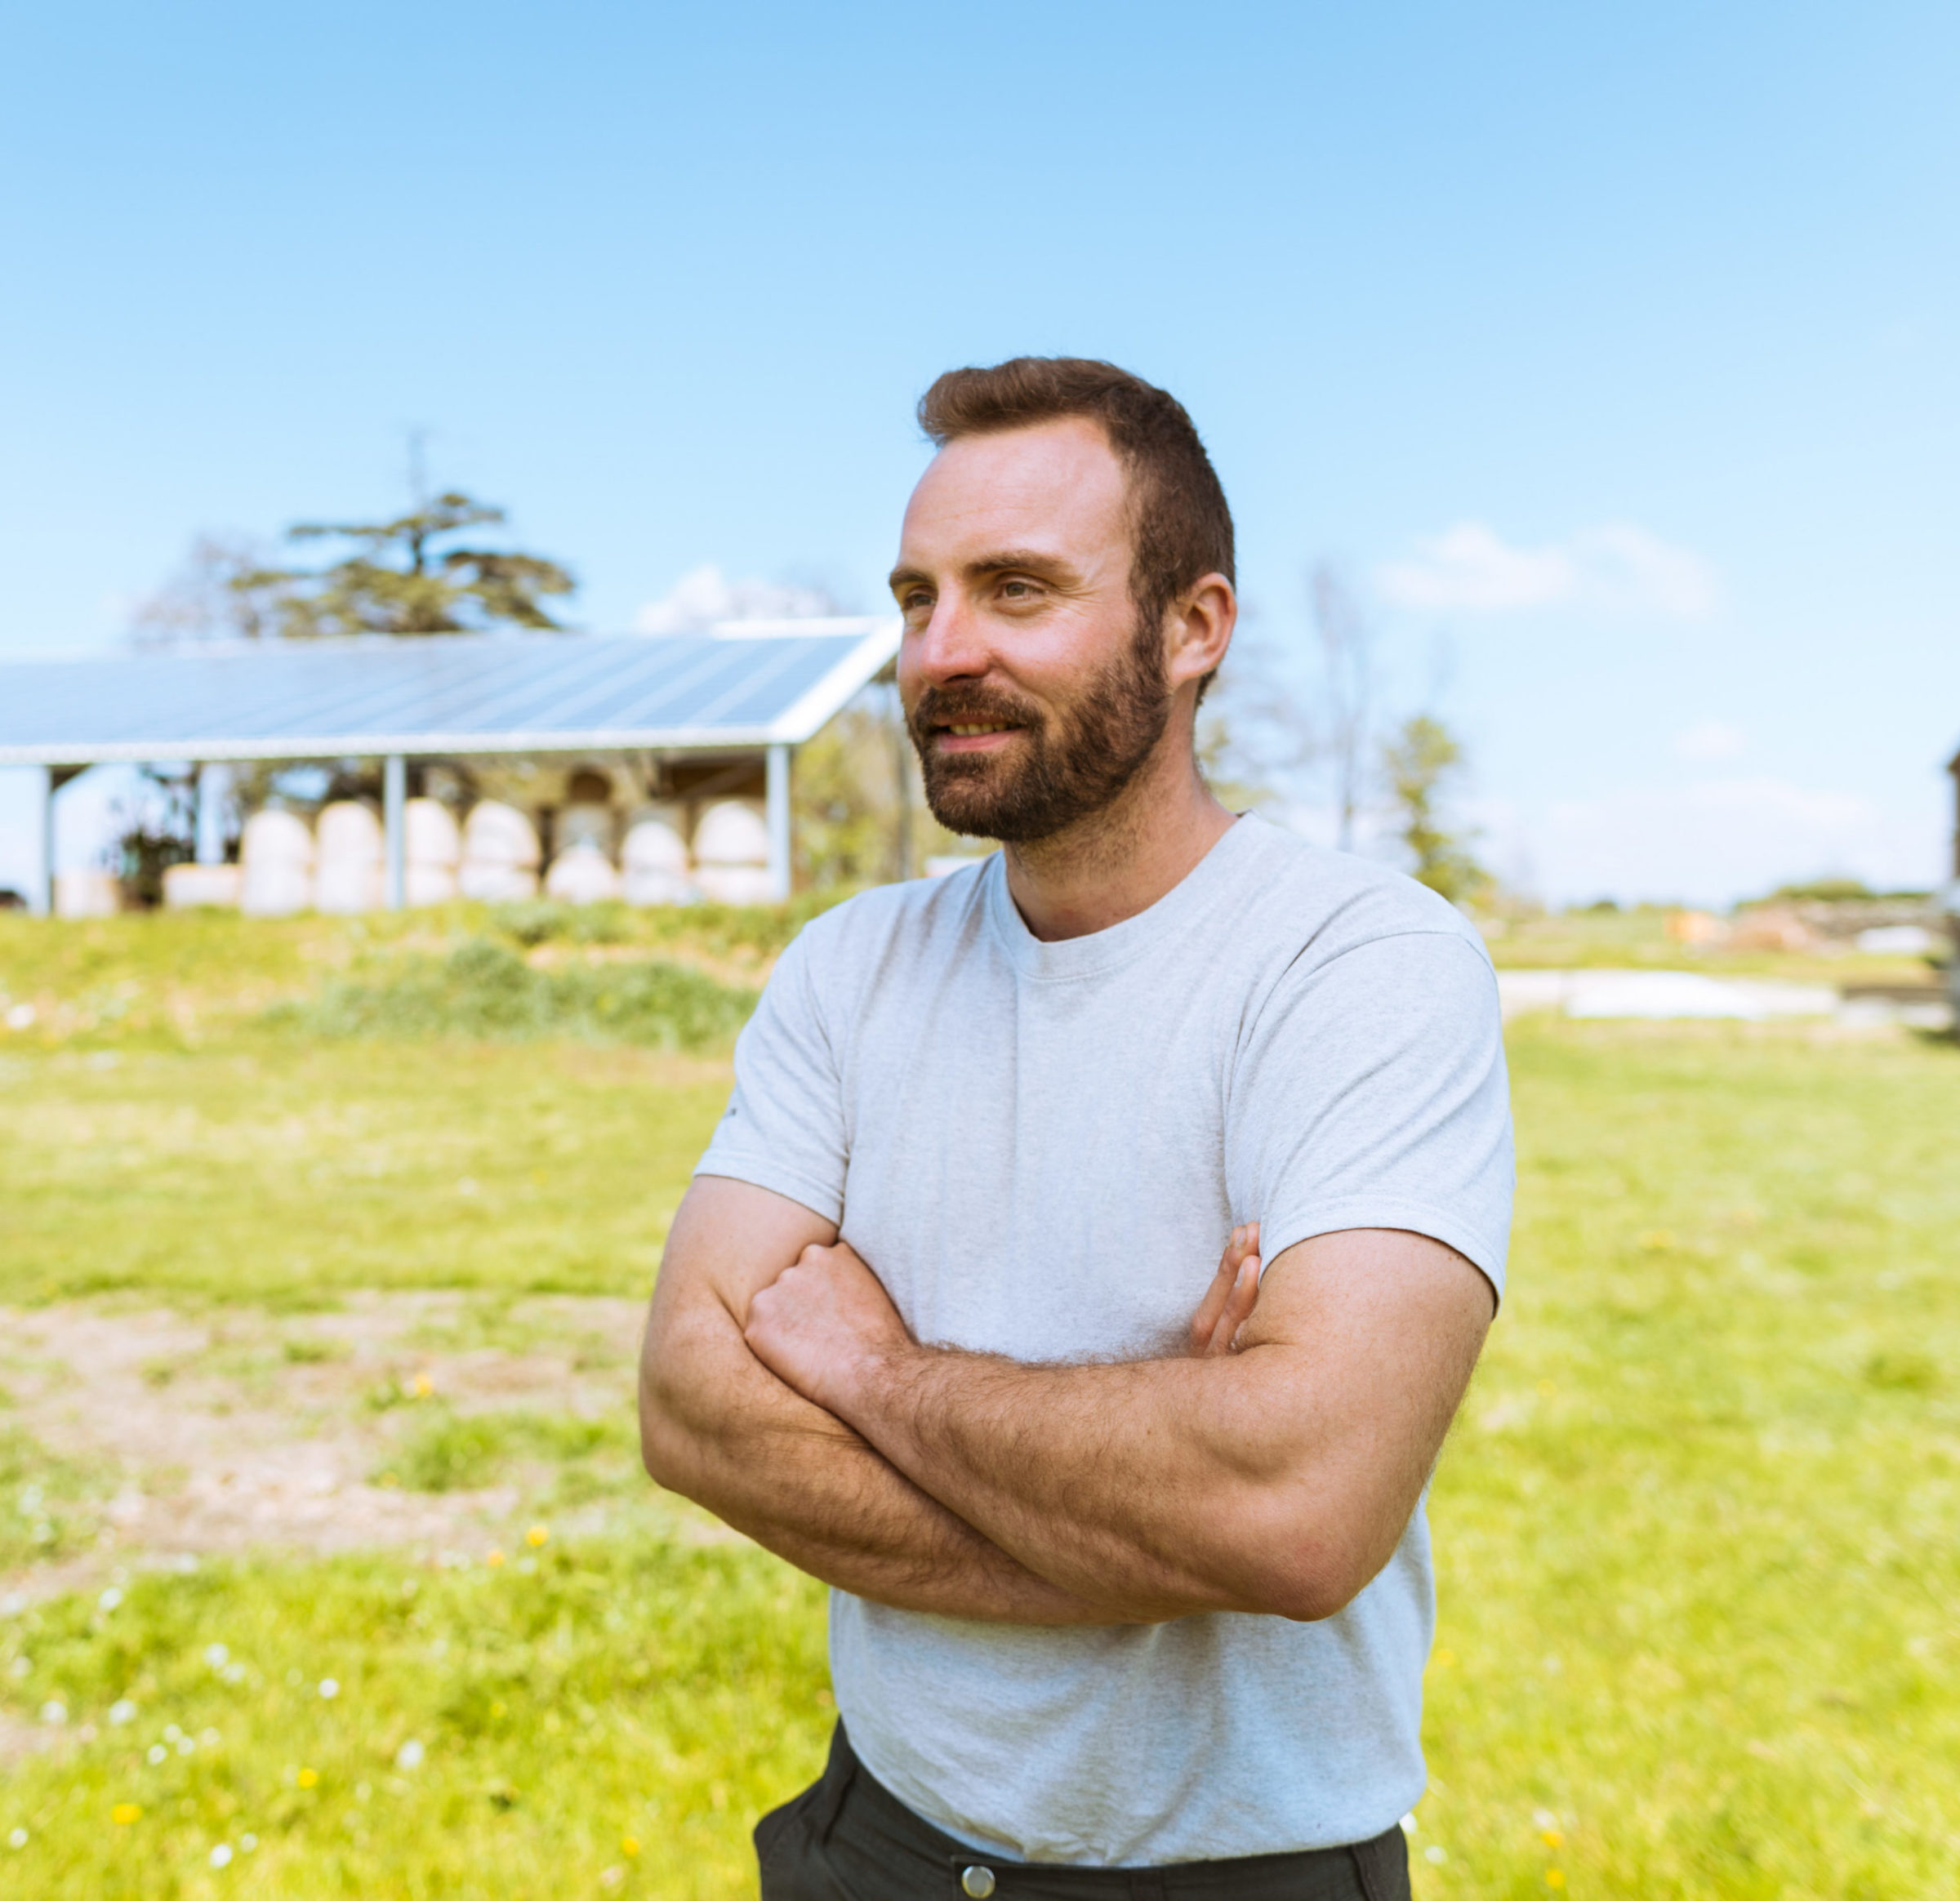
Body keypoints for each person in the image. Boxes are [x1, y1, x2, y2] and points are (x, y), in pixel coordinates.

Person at [639, 357, 1514, 1899]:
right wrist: (1158, 1509)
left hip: (1245, 1874)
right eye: (918, 599)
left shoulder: (1361, 964)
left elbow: (1301, 1512)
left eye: (1018, 591)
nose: (940, 654)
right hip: (878, 1847)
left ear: (1194, 629)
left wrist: (870, 1371)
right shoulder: (850, 969)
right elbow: (693, 1412)